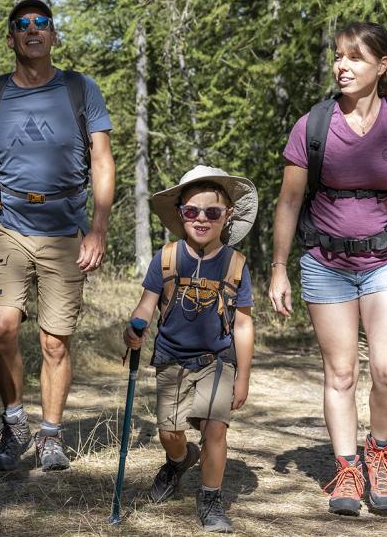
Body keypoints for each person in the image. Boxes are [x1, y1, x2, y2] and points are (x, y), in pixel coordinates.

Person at [267, 22, 387, 515]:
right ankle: (346, 469)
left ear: (381, 67)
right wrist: (279, 267)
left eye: (355, 58)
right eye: (338, 57)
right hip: (325, 263)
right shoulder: (313, 124)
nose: (341, 66)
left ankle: (380, 453)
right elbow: (289, 200)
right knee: (340, 373)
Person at [0, 0, 115, 471]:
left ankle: (50, 436)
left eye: (42, 23)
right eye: (23, 25)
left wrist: (98, 229)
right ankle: (15, 424)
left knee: (56, 342)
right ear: (11, 38)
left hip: (65, 229)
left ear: (54, 36)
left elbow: (102, 160)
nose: (33, 30)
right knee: (1, 329)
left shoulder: (80, 88)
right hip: (8, 224)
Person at [123, 166, 257, 533]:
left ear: (227, 216)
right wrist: (135, 328)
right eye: (192, 211)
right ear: (181, 213)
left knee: (215, 428)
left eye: (212, 212)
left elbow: (243, 324)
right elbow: (147, 303)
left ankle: (211, 498)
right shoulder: (166, 258)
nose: (201, 219)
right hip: (170, 358)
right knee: (170, 433)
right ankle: (180, 461)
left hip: (218, 360)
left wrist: (243, 377)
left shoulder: (235, 264)